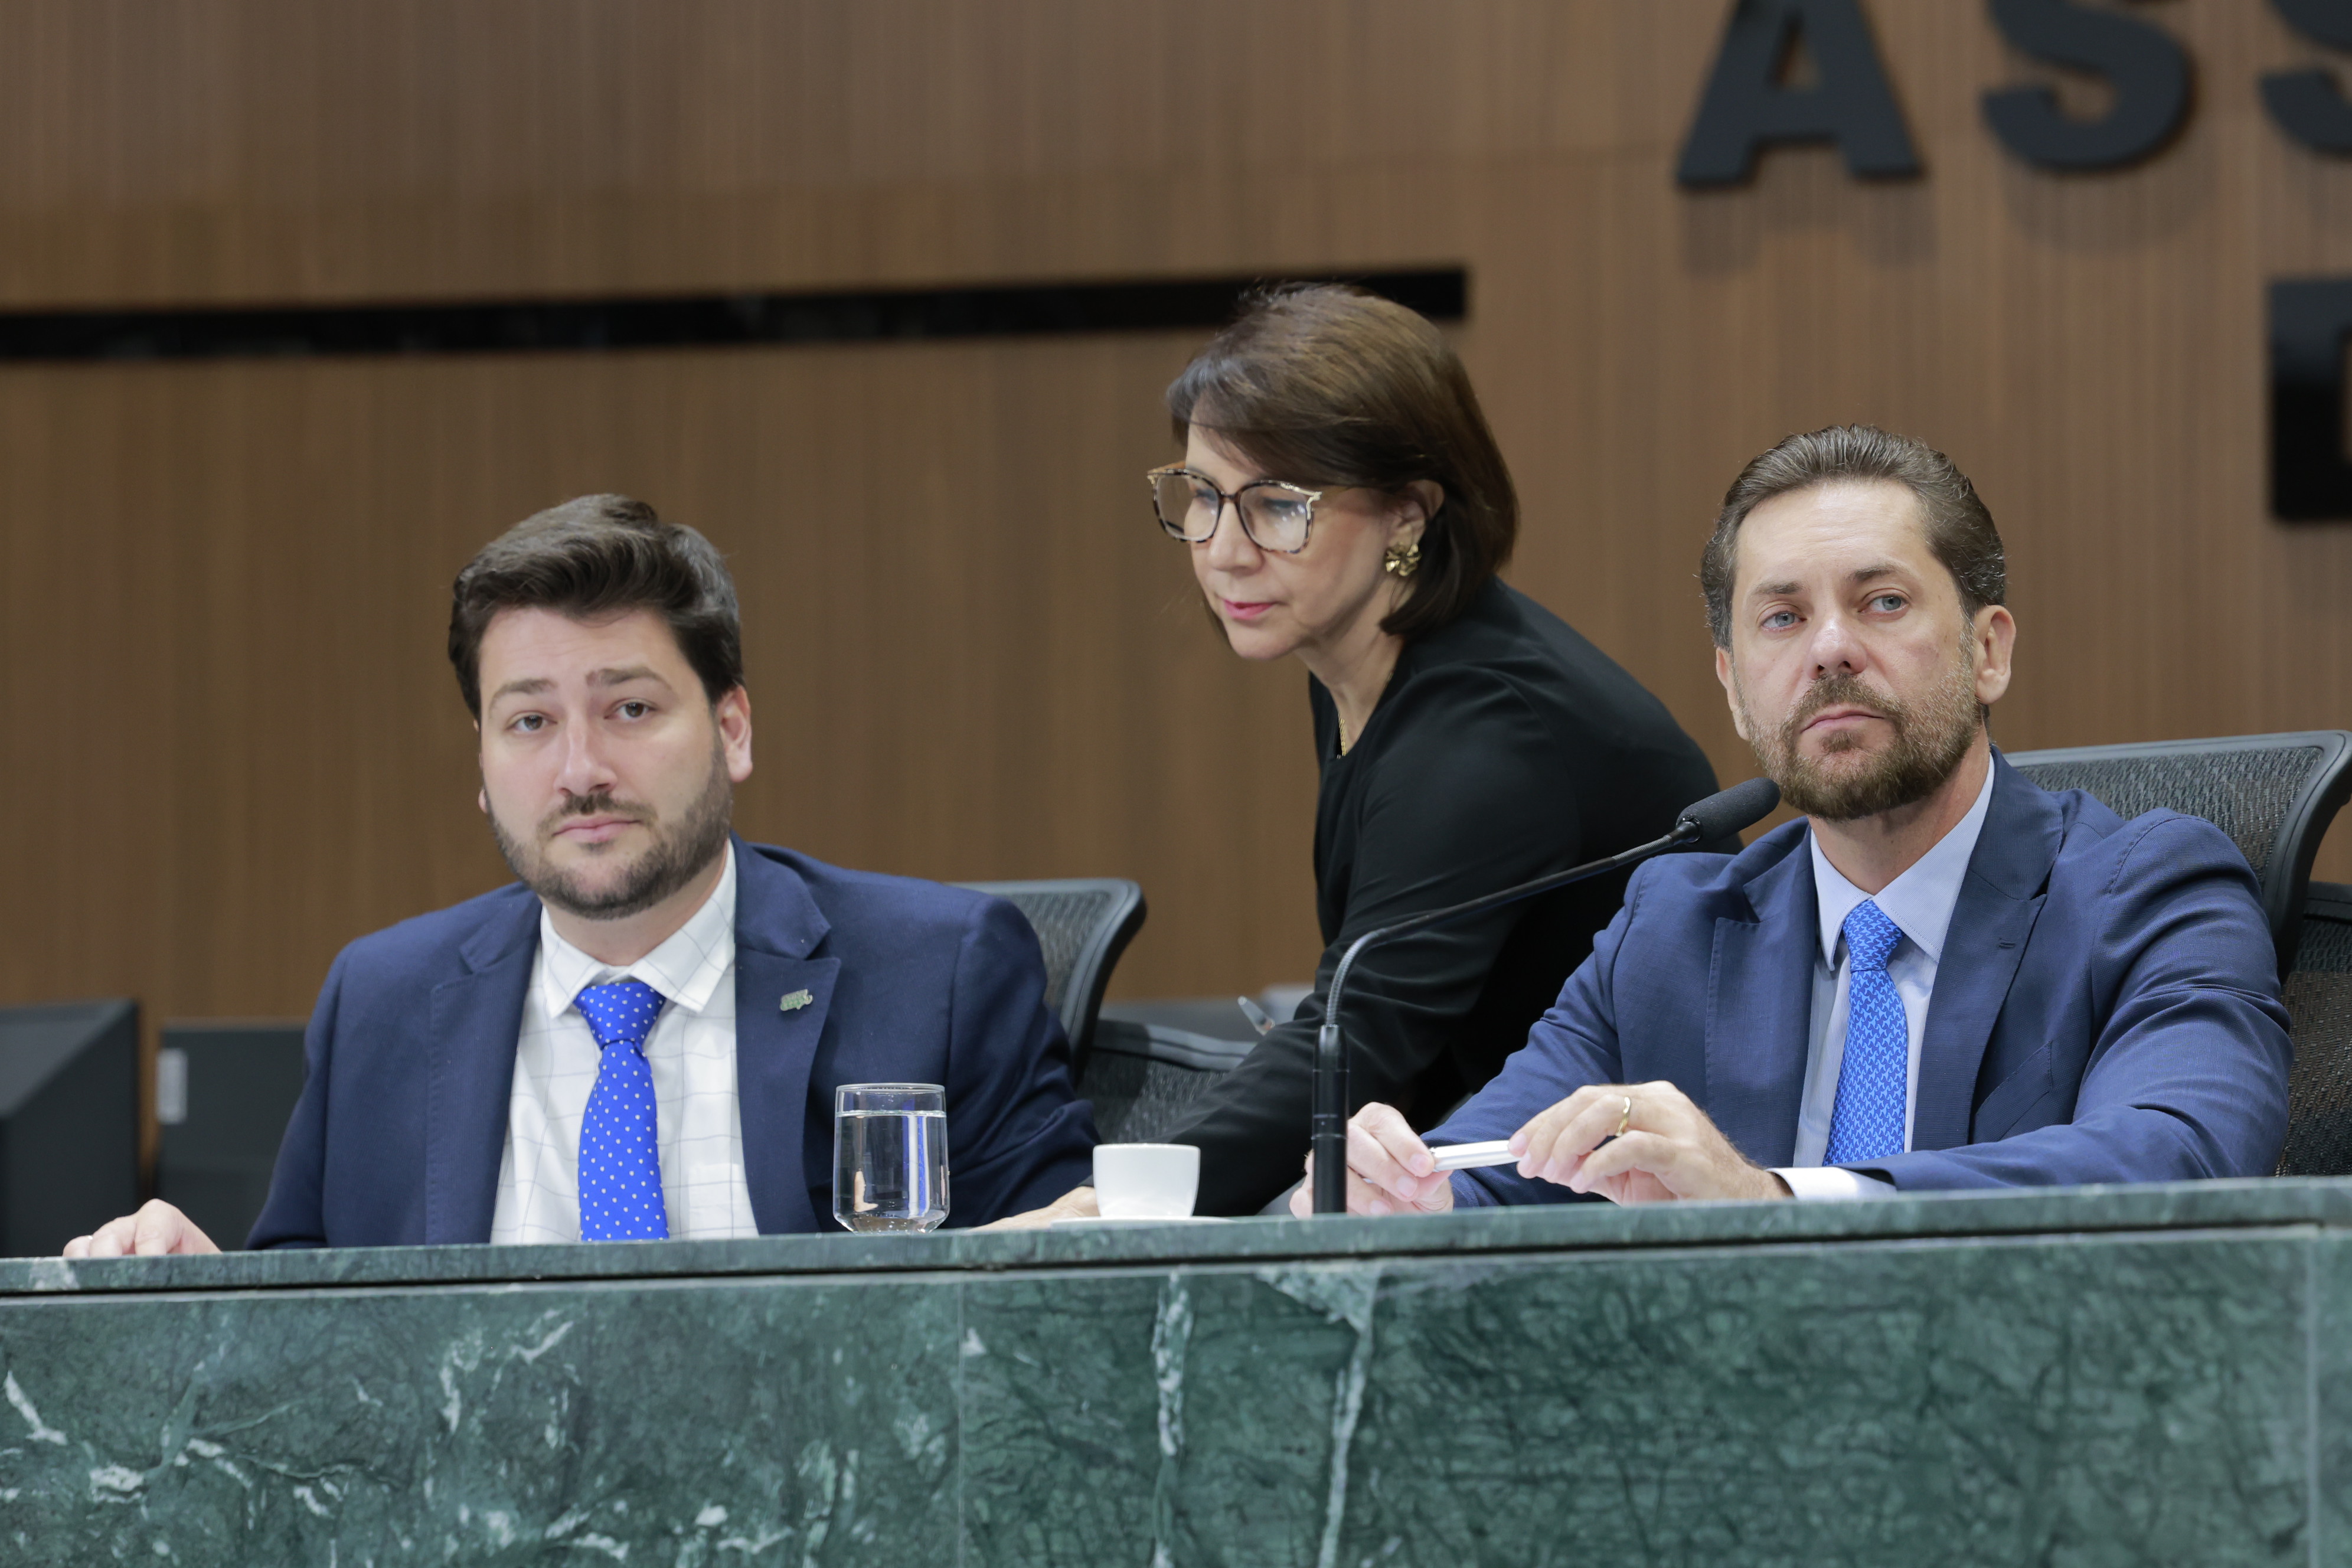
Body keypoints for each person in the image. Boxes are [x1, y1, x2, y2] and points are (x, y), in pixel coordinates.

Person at [1308, 424, 2291, 1217]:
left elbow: (2182, 1156)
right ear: (1737, 691)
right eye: (1781, 618)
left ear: (1988, 651)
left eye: (1883, 602)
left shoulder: (2151, 891)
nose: (1829, 649)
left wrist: (1773, 1201)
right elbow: (1492, 1164)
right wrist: (1400, 1194)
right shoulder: (1673, 927)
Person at [68, 496, 1094, 1255]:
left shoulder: (937, 974)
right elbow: (309, 1333)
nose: (581, 770)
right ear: (482, 769)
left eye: (630, 709)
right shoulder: (384, 1002)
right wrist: (200, 1291)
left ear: (733, 729)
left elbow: (1061, 1303)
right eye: (530, 722)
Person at [1018, 284, 1721, 1224]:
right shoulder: (1361, 664)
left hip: (1633, 1199)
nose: (1223, 551)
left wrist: (1099, 1213)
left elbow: (1357, 1043)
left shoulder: (1489, 727)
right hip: (1507, 1165)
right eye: (1204, 497)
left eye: (1278, 507)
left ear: (1408, 514)